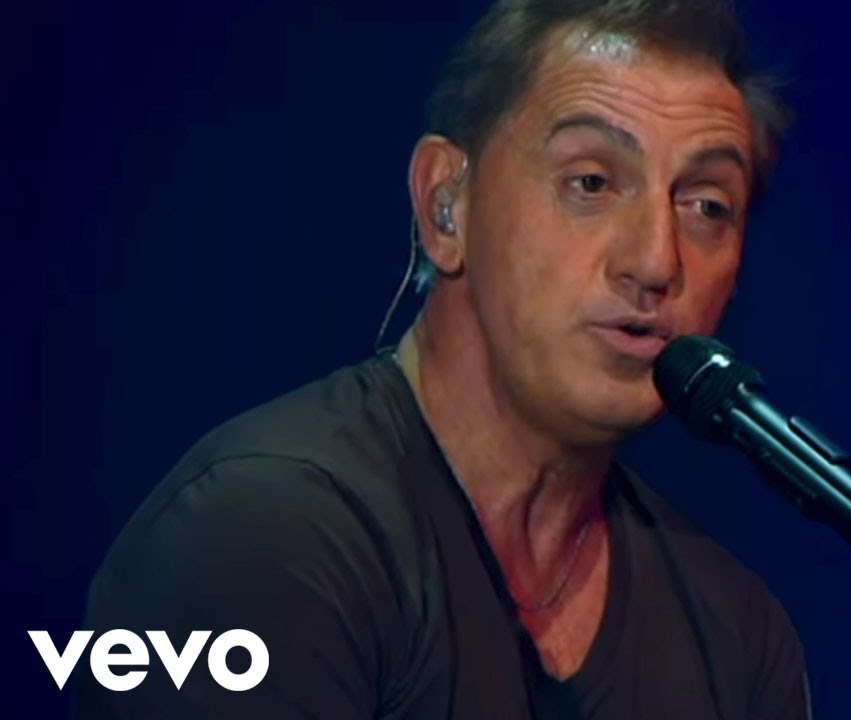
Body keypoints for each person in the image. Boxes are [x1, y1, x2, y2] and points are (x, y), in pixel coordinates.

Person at [75, 0, 808, 717]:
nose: (655, 261)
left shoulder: (735, 636)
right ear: (444, 206)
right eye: (590, 182)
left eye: (707, 206)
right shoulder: (256, 535)